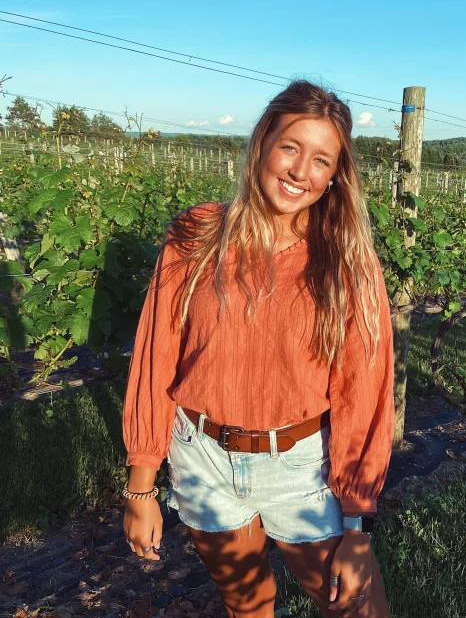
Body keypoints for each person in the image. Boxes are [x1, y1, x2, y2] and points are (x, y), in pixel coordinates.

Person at [122, 80, 395, 618]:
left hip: (301, 470)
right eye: (290, 147)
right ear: (262, 144)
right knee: (247, 606)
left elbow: (365, 388)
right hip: (201, 460)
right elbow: (156, 357)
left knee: (360, 609)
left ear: (335, 175)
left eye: (322, 160)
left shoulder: (344, 261)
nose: (300, 171)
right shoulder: (196, 235)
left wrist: (357, 524)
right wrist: (140, 487)